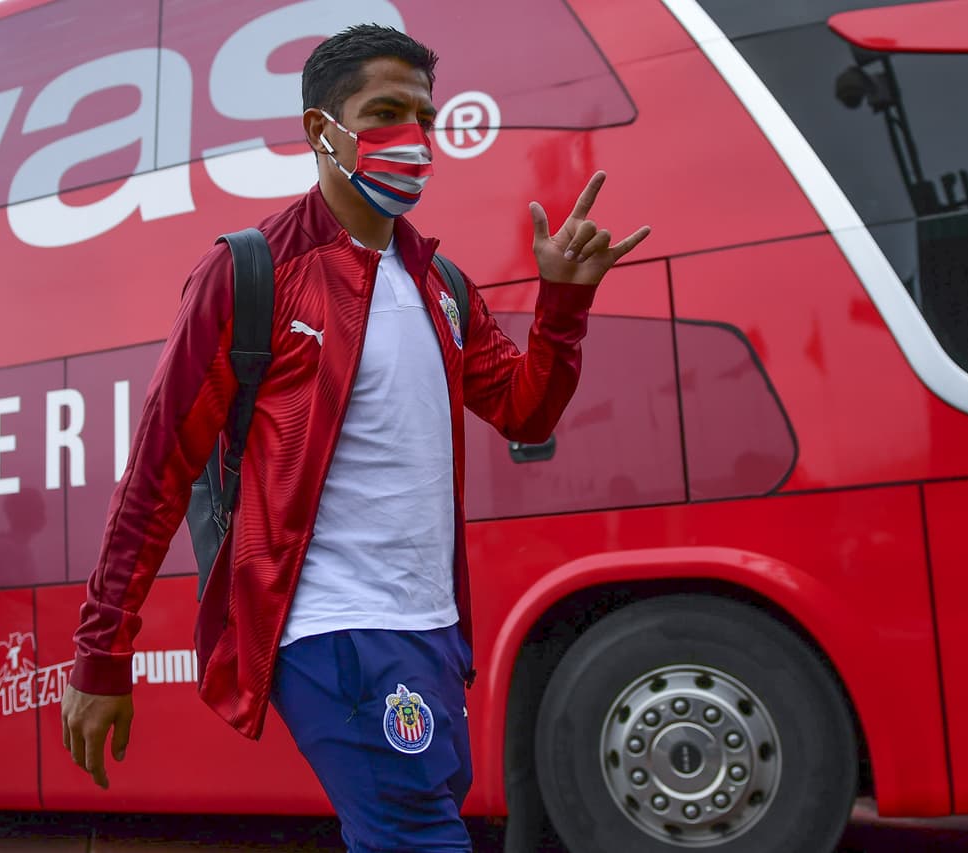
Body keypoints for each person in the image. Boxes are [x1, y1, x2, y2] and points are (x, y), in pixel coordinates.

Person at [61, 23, 650, 852]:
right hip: (332, 626)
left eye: (425, 117)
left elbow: (526, 410)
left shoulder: (439, 282)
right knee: (417, 834)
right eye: (385, 113)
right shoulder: (249, 272)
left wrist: (562, 306)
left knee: (406, 822)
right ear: (320, 131)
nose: (413, 138)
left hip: (434, 627)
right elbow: (157, 470)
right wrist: (101, 651)